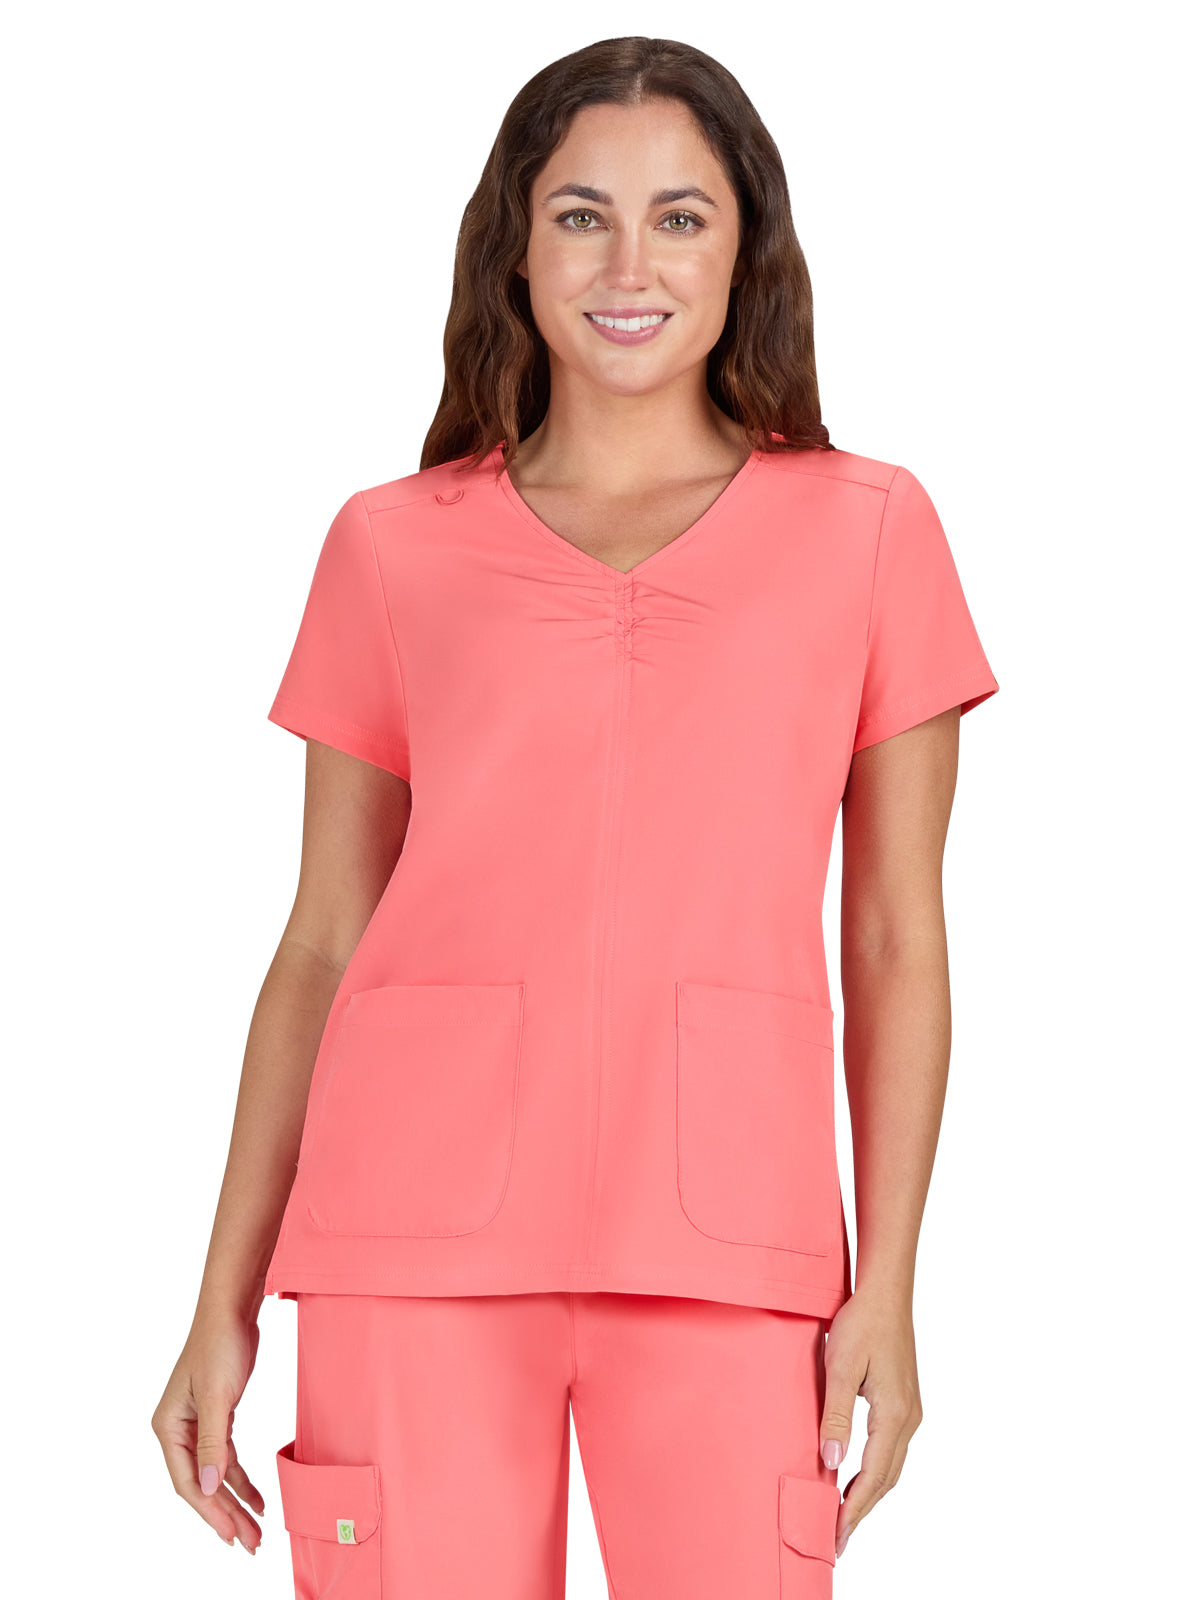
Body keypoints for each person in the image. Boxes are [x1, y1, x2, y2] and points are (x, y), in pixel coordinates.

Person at [152, 35, 999, 1600]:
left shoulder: (871, 531)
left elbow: (894, 934)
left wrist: (887, 1285)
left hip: (732, 1248)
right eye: (581, 215)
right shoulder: (392, 546)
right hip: (406, 1238)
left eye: (680, 217)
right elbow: (322, 939)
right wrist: (225, 1298)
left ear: (745, 248)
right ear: (516, 247)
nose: (628, 266)